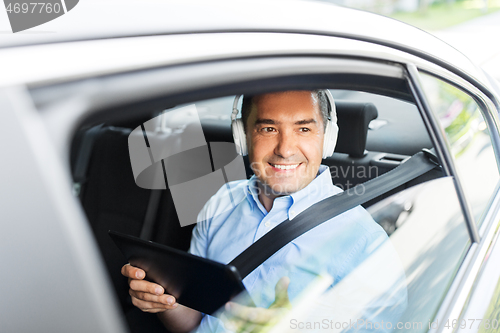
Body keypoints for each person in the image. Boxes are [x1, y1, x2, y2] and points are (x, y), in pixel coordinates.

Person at [121, 90, 406, 333]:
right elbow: (195, 321)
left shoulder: (365, 242)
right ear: (243, 137)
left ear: (327, 138)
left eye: (303, 129)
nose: (284, 149)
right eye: (268, 129)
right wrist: (164, 302)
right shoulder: (222, 202)